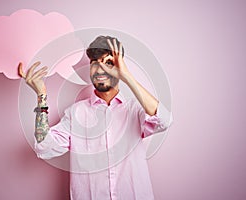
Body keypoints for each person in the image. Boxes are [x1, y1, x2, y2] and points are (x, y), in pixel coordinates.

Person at [18, 35, 172, 200]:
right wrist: (41, 96)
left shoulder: (136, 109)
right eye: (94, 63)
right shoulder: (75, 113)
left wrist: (127, 77)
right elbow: (44, 147)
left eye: (108, 63)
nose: (100, 69)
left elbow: (164, 121)